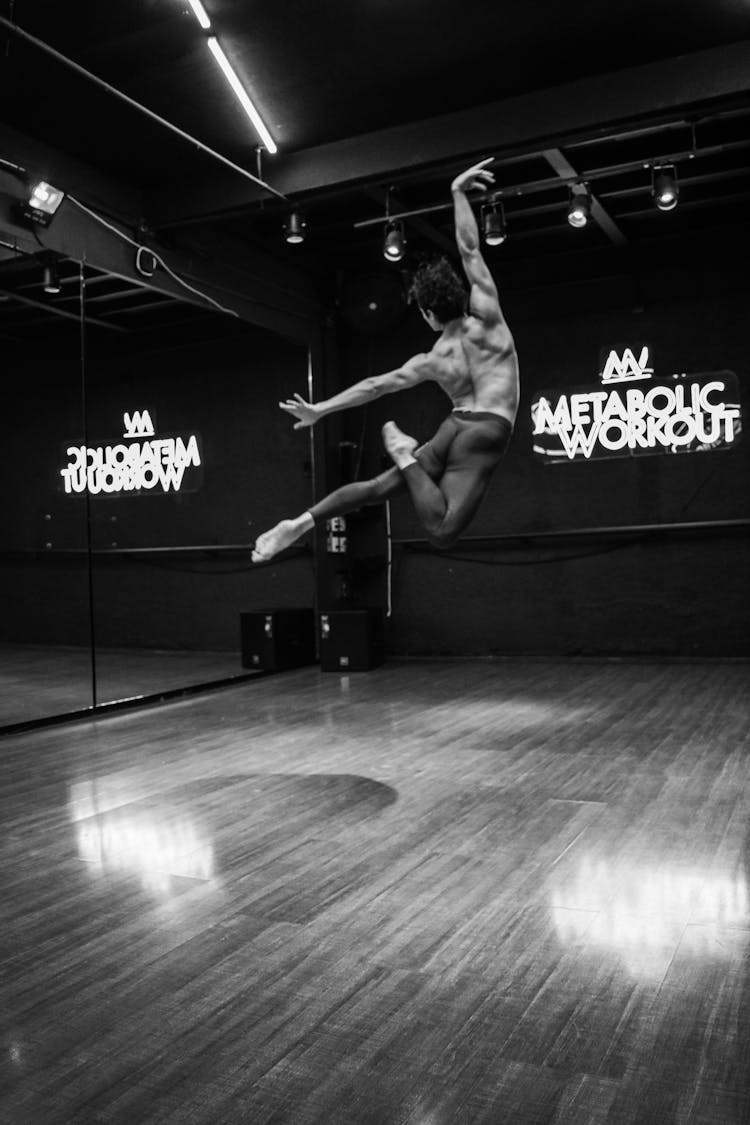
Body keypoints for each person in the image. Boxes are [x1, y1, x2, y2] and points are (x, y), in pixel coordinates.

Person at [252, 158, 519, 562]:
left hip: (456, 426)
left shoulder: (432, 359)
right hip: (489, 432)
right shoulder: (488, 317)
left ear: (427, 313)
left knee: (378, 490)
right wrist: (458, 193)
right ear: (459, 298)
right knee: (443, 531)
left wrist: (320, 409)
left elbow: (376, 385)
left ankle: (302, 522)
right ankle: (404, 456)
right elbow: (469, 247)